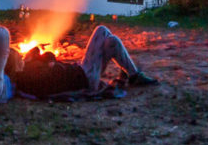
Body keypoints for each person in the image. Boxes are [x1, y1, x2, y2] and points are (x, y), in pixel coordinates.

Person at [13, 24, 158, 98]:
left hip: (83, 72)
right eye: (19, 58)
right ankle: (134, 75)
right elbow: (50, 63)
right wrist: (34, 59)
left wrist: (38, 58)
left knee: (111, 42)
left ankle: (133, 75)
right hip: (85, 77)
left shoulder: (30, 69)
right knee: (101, 30)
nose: (21, 57)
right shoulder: (27, 73)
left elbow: (50, 58)